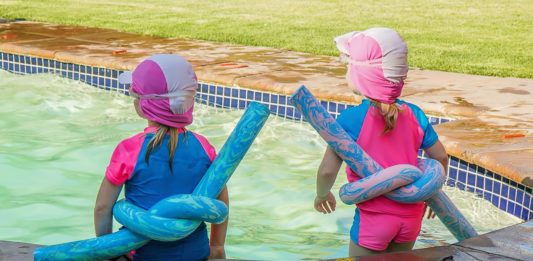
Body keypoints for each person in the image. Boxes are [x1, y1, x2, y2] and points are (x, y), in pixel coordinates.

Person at [313, 28, 448, 256]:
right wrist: (430, 190)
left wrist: (322, 194)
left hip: (374, 220)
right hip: (411, 218)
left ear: (360, 76)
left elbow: (327, 171)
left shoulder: (350, 120)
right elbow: (441, 157)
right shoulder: (416, 114)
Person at [94, 54, 228, 261]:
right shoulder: (204, 148)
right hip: (195, 255)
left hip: (142, 255)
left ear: (144, 104)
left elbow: (103, 207)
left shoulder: (130, 149)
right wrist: (217, 247)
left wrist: (108, 251)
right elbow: (220, 202)